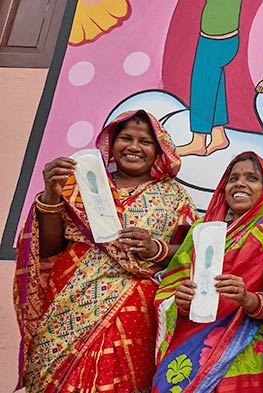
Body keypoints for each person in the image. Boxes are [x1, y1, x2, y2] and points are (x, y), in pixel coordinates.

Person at [14, 110, 197, 392]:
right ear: (111, 144)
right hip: (71, 300)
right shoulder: (83, 183)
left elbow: (190, 255)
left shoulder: (175, 196)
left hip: (134, 311)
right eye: (126, 138)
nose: (134, 147)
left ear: (159, 149)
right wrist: (52, 193)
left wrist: (156, 248)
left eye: (145, 141)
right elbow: (50, 249)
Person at [153, 151, 263, 392]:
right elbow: (169, 290)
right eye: (233, 177)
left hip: (244, 351)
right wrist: (181, 300)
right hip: (189, 345)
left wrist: (248, 299)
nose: (240, 183)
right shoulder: (202, 231)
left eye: (252, 178)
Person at [176, 0, 241, 157]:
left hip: (217, 40)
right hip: (219, 38)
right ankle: (219, 134)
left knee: (202, 87)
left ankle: (198, 141)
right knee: (215, 86)